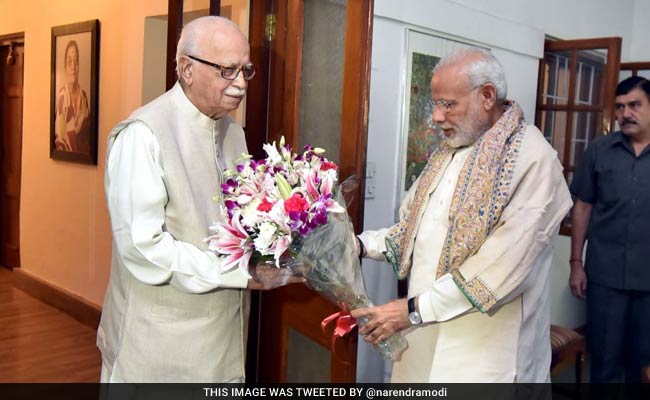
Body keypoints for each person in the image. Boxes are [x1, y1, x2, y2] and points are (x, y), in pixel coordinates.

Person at [97, 16, 300, 383]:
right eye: (227, 70)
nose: (240, 84)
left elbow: (240, 225)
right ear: (187, 69)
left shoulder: (234, 133)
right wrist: (242, 272)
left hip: (224, 341)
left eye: (245, 70)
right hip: (158, 347)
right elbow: (143, 249)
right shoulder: (143, 134)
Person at [351, 48, 572, 383]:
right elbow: (415, 231)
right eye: (436, 103)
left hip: (487, 349)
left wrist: (412, 311)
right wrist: (358, 245)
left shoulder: (533, 159)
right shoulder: (449, 154)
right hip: (424, 332)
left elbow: (503, 265)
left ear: (487, 96)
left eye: (448, 104)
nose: (436, 117)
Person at [569, 76, 650, 383]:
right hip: (605, 278)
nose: (626, 113)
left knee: (643, 366)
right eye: (619, 107)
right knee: (604, 363)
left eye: (635, 105)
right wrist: (576, 264)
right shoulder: (599, 150)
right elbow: (583, 206)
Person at [54, 39, 90, 153]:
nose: (73, 66)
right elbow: (59, 138)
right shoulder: (61, 98)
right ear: (65, 67)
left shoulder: (83, 97)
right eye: (69, 62)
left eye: (76, 61)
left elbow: (87, 135)